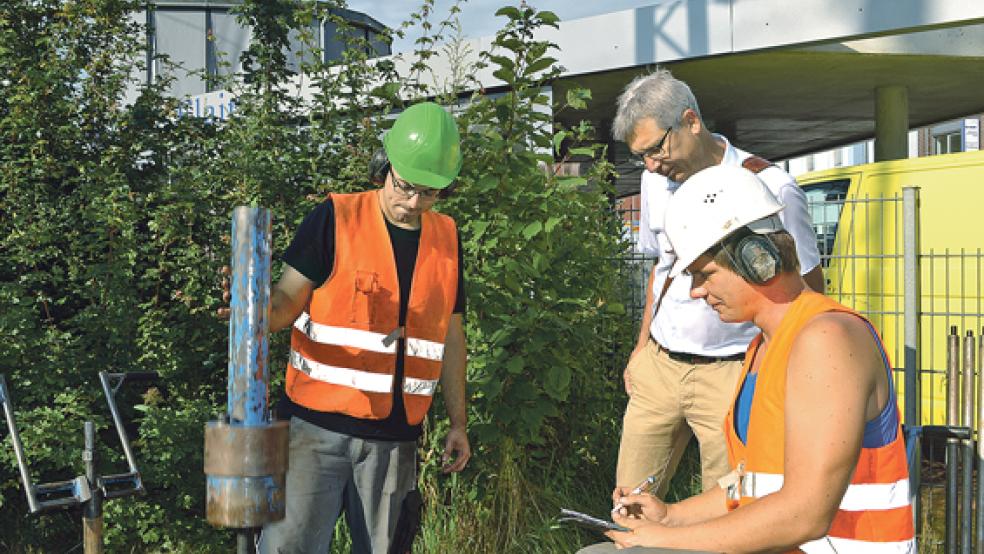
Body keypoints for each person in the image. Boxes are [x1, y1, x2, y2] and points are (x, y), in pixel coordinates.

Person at [578, 165, 914, 553]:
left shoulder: (827, 340)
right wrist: (670, 516)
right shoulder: (763, 347)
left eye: (705, 274)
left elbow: (805, 514)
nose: (697, 292)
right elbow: (758, 480)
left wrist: (666, 538)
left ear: (758, 259)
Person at [253, 102, 472, 553]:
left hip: (395, 441)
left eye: (429, 193)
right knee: (287, 547)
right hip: (313, 431)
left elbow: (452, 338)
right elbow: (285, 303)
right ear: (383, 167)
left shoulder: (447, 239)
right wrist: (251, 313)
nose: (413, 203)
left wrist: (458, 423)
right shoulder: (333, 219)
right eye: (406, 186)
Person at [611, 68, 824, 498]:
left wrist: (780, 377)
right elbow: (663, 269)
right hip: (660, 366)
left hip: (734, 372)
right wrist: (640, 350)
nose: (650, 165)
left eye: (655, 149)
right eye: (641, 156)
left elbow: (808, 293)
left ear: (691, 121)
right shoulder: (655, 181)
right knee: (629, 506)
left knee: (733, 509)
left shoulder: (770, 188)